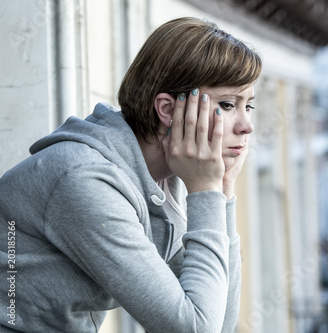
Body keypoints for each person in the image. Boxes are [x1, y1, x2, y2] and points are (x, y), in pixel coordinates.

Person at [0, 17, 262, 332]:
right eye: (228, 104)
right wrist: (207, 191)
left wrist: (221, 189)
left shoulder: (174, 178)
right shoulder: (85, 179)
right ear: (168, 110)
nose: (246, 126)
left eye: (249, 106)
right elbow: (193, 329)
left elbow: (219, 322)